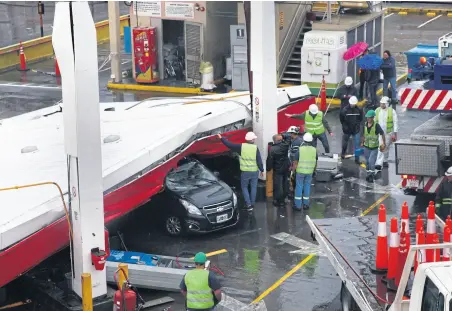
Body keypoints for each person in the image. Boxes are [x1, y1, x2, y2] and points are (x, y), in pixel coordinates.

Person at [218, 132, 264, 211]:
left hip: (245, 172)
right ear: (252, 140)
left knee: (244, 187)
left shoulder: (241, 147)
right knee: (253, 187)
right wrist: (262, 170)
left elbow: (229, 145)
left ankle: (248, 205)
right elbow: (259, 160)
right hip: (254, 171)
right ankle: (252, 204)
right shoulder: (255, 148)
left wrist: (222, 138)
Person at [293, 133, 318, 211]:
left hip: (300, 171)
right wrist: (314, 170)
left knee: (299, 187)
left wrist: (293, 170)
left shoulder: (300, 150)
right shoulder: (314, 150)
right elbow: (316, 161)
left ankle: (298, 206)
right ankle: (306, 204)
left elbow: (295, 162)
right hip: (309, 172)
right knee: (307, 187)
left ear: (303, 140)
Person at [361, 110, 386, 183]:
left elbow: (382, 134)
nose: (368, 119)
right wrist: (362, 142)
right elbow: (363, 135)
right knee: (367, 162)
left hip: (374, 148)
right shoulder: (365, 125)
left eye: (369, 117)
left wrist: (384, 143)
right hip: (366, 147)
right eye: (367, 117)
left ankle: (371, 175)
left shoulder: (376, 125)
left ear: (373, 118)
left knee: (371, 161)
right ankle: (368, 174)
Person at [375, 96, 398, 170]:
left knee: (386, 147)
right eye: (381, 103)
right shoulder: (377, 110)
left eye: (383, 104)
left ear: (387, 104)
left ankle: (385, 161)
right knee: (381, 147)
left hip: (388, 133)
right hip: (380, 133)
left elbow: (395, 122)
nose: (382, 105)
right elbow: (374, 121)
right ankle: (378, 163)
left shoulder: (392, 111)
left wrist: (395, 133)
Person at [267, 134, 290, 207]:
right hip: (286, 167)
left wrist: (268, 169)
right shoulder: (285, 145)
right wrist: (283, 135)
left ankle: (279, 201)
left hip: (278, 169)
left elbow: (269, 160)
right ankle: (284, 198)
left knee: (278, 185)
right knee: (285, 183)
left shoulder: (272, 149)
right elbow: (288, 137)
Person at [340, 96, 363, 163]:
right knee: (345, 143)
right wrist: (345, 127)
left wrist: (357, 125)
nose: (353, 105)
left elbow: (360, 119)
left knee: (357, 145)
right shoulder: (344, 110)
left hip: (355, 129)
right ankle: (343, 154)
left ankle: (357, 159)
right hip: (347, 129)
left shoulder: (359, 110)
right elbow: (342, 120)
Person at [283, 126, 303, 199]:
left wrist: (292, 165)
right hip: (300, 164)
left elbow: (294, 156)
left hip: (295, 164)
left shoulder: (295, 142)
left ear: (293, 133)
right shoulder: (299, 140)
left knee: (292, 179)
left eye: (290, 134)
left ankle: (293, 193)